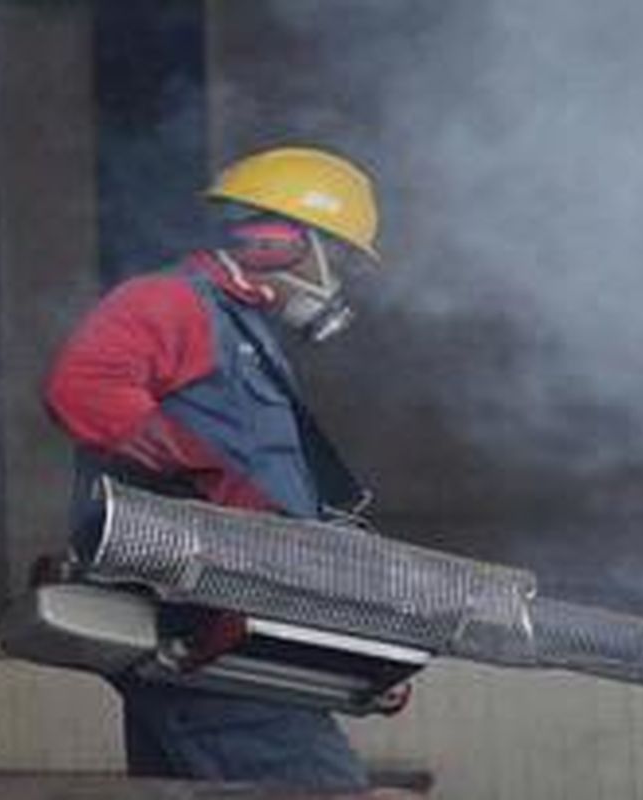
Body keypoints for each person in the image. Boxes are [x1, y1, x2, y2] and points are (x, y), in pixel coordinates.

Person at [42, 145, 385, 792]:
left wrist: (352, 657)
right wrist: (202, 479)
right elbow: (84, 385)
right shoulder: (171, 301)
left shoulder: (243, 332)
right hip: (200, 617)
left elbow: (275, 492)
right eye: (335, 255)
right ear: (277, 242)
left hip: (229, 615)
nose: (340, 276)